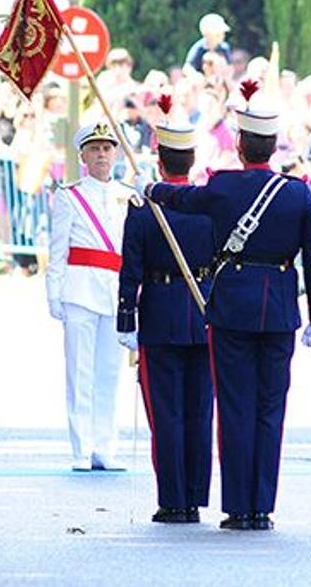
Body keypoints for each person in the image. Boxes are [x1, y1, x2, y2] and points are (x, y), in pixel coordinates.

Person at [141, 81, 311, 530]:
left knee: (236, 407)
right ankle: (261, 506)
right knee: (270, 409)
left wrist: (151, 188)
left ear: (241, 144)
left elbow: (184, 197)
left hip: (231, 308)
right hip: (280, 308)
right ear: (272, 146)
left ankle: (237, 507)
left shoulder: (223, 187)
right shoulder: (297, 192)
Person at [117, 101, 216, 523]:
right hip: (205, 312)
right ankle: (194, 496)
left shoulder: (144, 209)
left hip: (159, 313)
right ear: (192, 161)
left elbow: (131, 269)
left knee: (167, 413)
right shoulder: (210, 205)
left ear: (158, 160)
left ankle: (172, 500)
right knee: (199, 412)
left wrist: (126, 319)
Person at [46, 122, 139, 471]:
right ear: (82, 155)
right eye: (95, 148)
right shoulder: (70, 195)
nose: (102, 154)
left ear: (116, 153)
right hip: (80, 289)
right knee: (79, 372)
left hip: (116, 291)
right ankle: (81, 449)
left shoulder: (129, 194)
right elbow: (58, 249)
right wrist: (53, 293)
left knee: (109, 373)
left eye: (107, 148)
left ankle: (105, 446)